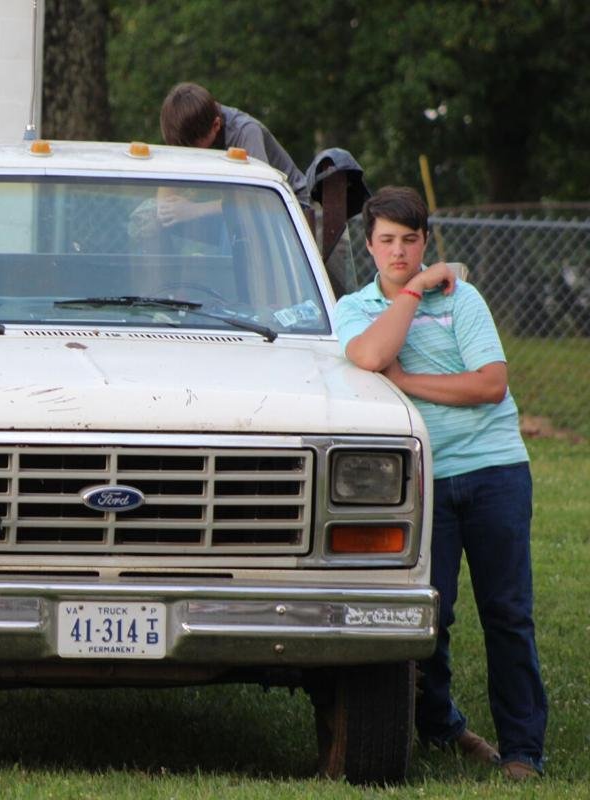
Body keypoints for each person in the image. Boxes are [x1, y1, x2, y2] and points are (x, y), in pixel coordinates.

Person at [334, 186, 547, 781]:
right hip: (425, 478)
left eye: (409, 240)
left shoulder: (465, 298)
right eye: (386, 241)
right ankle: (440, 724)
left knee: (507, 612)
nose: (398, 250)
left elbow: (490, 386)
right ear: (370, 245)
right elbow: (373, 356)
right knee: (434, 612)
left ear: (425, 241)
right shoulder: (355, 307)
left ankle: (524, 749)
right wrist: (412, 291)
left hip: (495, 468)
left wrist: (412, 382)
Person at [159, 81, 310, 208]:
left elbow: (255, 197)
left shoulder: (246, 133)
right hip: (237, 203)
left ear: (216, 125)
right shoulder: (195, 129)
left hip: (291, 206)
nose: (190, 156)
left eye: (193, 149)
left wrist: (193, 210)